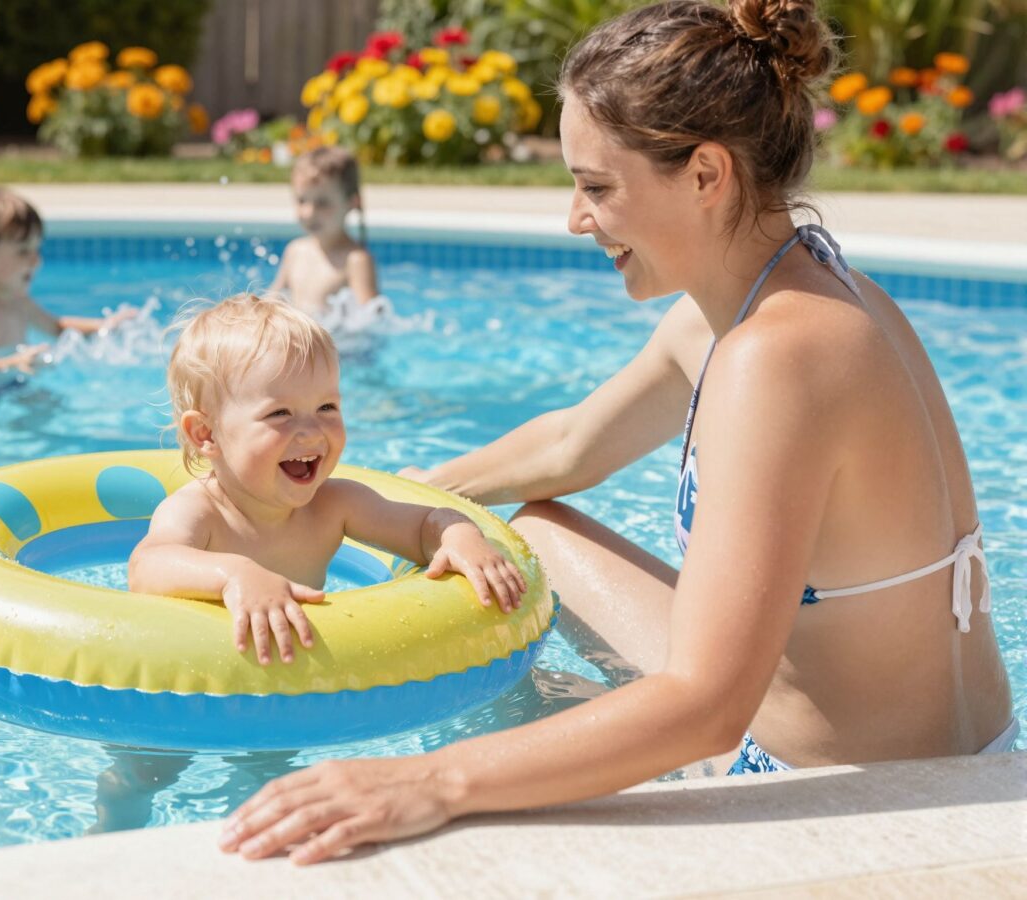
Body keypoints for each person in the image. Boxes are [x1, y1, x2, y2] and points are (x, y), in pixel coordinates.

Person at [217, 0, 1017, 865]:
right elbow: (568, 447)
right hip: (964, 749)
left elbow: (708, 708)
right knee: (535, 532)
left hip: (851, 800)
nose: (576, 218)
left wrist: (427, 780)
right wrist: (370, 506)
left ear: (705, 174)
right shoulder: (789, 297)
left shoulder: (780, 360)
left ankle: (526, 741)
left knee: (481, 775)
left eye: (597, 187)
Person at [127, 294, 525, 664]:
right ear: (206, 434)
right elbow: (146, 566)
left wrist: (460, 538)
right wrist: (234, 575)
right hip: (204, 669)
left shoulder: (335, 505)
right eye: (279, 413)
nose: (312, 432)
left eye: (327, 407)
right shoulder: (199, 511)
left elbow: (425, 525)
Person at [0, 186, 134, 379]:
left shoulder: (17, 300)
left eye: (36, 249)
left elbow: (57, 327)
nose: (36, 261)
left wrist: (105, 327)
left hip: (9, 384)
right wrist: (12, 363)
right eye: (23, 251)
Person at [269, 147, 383, 322]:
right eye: (301, 200)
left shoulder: (356, 261)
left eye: (322, 203)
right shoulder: (295, 251)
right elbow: (270, 303)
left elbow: (372, 323)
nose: (309, 213)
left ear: (352, 202)